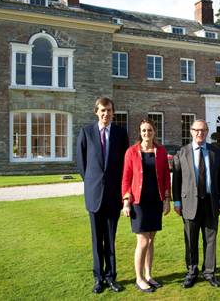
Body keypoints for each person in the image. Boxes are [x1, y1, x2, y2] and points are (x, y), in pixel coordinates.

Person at [76, 97, 129, 294]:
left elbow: (125, 165)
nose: (106, 114)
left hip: (114, 195)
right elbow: (81, 165)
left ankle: (111, 276)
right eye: (102, 110)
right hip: (94, 194)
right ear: (96, 112)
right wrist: (92, 183)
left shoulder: (120, 134)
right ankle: (98, 278)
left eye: (109, 110)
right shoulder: (86, 133)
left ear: (113, 113)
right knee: (97, 239)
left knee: (111, 238)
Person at [172, 119, 220, 288]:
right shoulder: (182, 152)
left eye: (203, 130)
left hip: (211, 201)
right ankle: (191, 272)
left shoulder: (215, 152)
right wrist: (177, 202)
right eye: (196, 130)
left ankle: (209, 272)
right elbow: (177, 180)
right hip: (189, 203)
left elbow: (219, 178)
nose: (199, 133)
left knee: (210, 239)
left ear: (207, 131)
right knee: (191, 239)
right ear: (191, 131)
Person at [121, 119, 171, 293]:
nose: (146, 133)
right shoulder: (131, 152)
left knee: (151, 241)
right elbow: (126, 178)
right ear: (139, 133)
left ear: (154, 132)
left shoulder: (161, 151)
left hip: (155, 201)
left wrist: (166, 200)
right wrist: (126, 201)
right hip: (138, 203)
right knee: (142, 241)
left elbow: (166, 177)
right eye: (143, 130)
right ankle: (139, 278)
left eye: (149, 130)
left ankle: (149, 275)